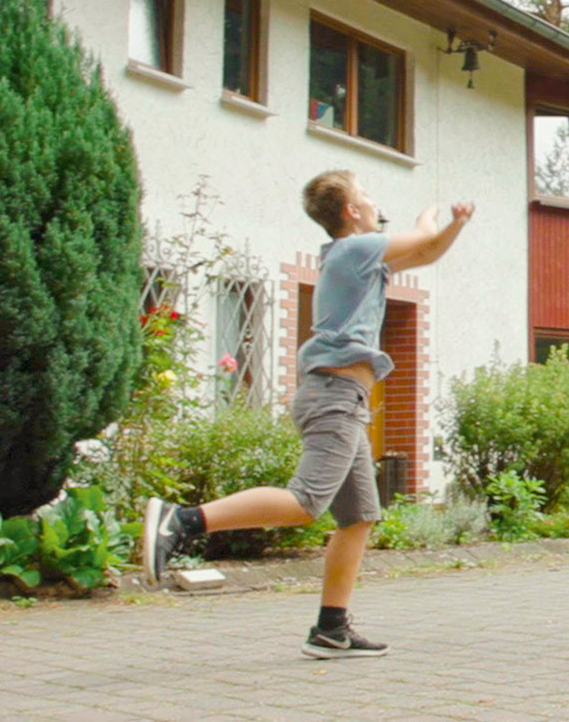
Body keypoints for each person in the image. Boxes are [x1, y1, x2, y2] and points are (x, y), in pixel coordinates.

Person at [141, 170, 475, 657]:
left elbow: (427, 252)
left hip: (345, 398)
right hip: (335, 394)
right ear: (350, 212)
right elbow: (424, 239)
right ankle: (182, 520)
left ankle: (330, 628)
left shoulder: (361, 262)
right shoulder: (353, 249)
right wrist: (433, 217)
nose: (372, 202)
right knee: (305, 501)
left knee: (359, 515)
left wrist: (449, 226)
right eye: (365, 197)